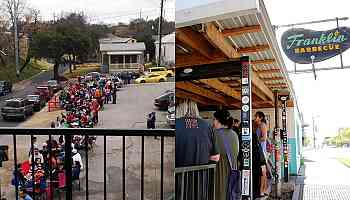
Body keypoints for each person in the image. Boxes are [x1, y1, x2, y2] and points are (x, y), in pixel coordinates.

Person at [175, 99, 220, 200]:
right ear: (196, 109)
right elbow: (216, 157)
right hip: (201, 181)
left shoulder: (176, 124)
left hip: (179, 182)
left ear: (180, 108)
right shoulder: (207, 126)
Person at [212, 110, 240, 200]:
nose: (213, 122)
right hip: (233, 169)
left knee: (219, 193)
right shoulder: (234, 134)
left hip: (219, 171)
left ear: (218, 120)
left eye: (214, 119)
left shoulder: (215, 134)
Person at [254, 111, 268, 197]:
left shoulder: (262, 125)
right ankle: (263, 190)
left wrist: (255, 141)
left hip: (262, 152)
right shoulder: (258, 126)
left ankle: (262, 191)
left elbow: (264, 137)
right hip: (259, 151)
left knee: (263, 173)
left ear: (260, 118)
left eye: (256, 116)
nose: (255, 118)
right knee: (262, 172)